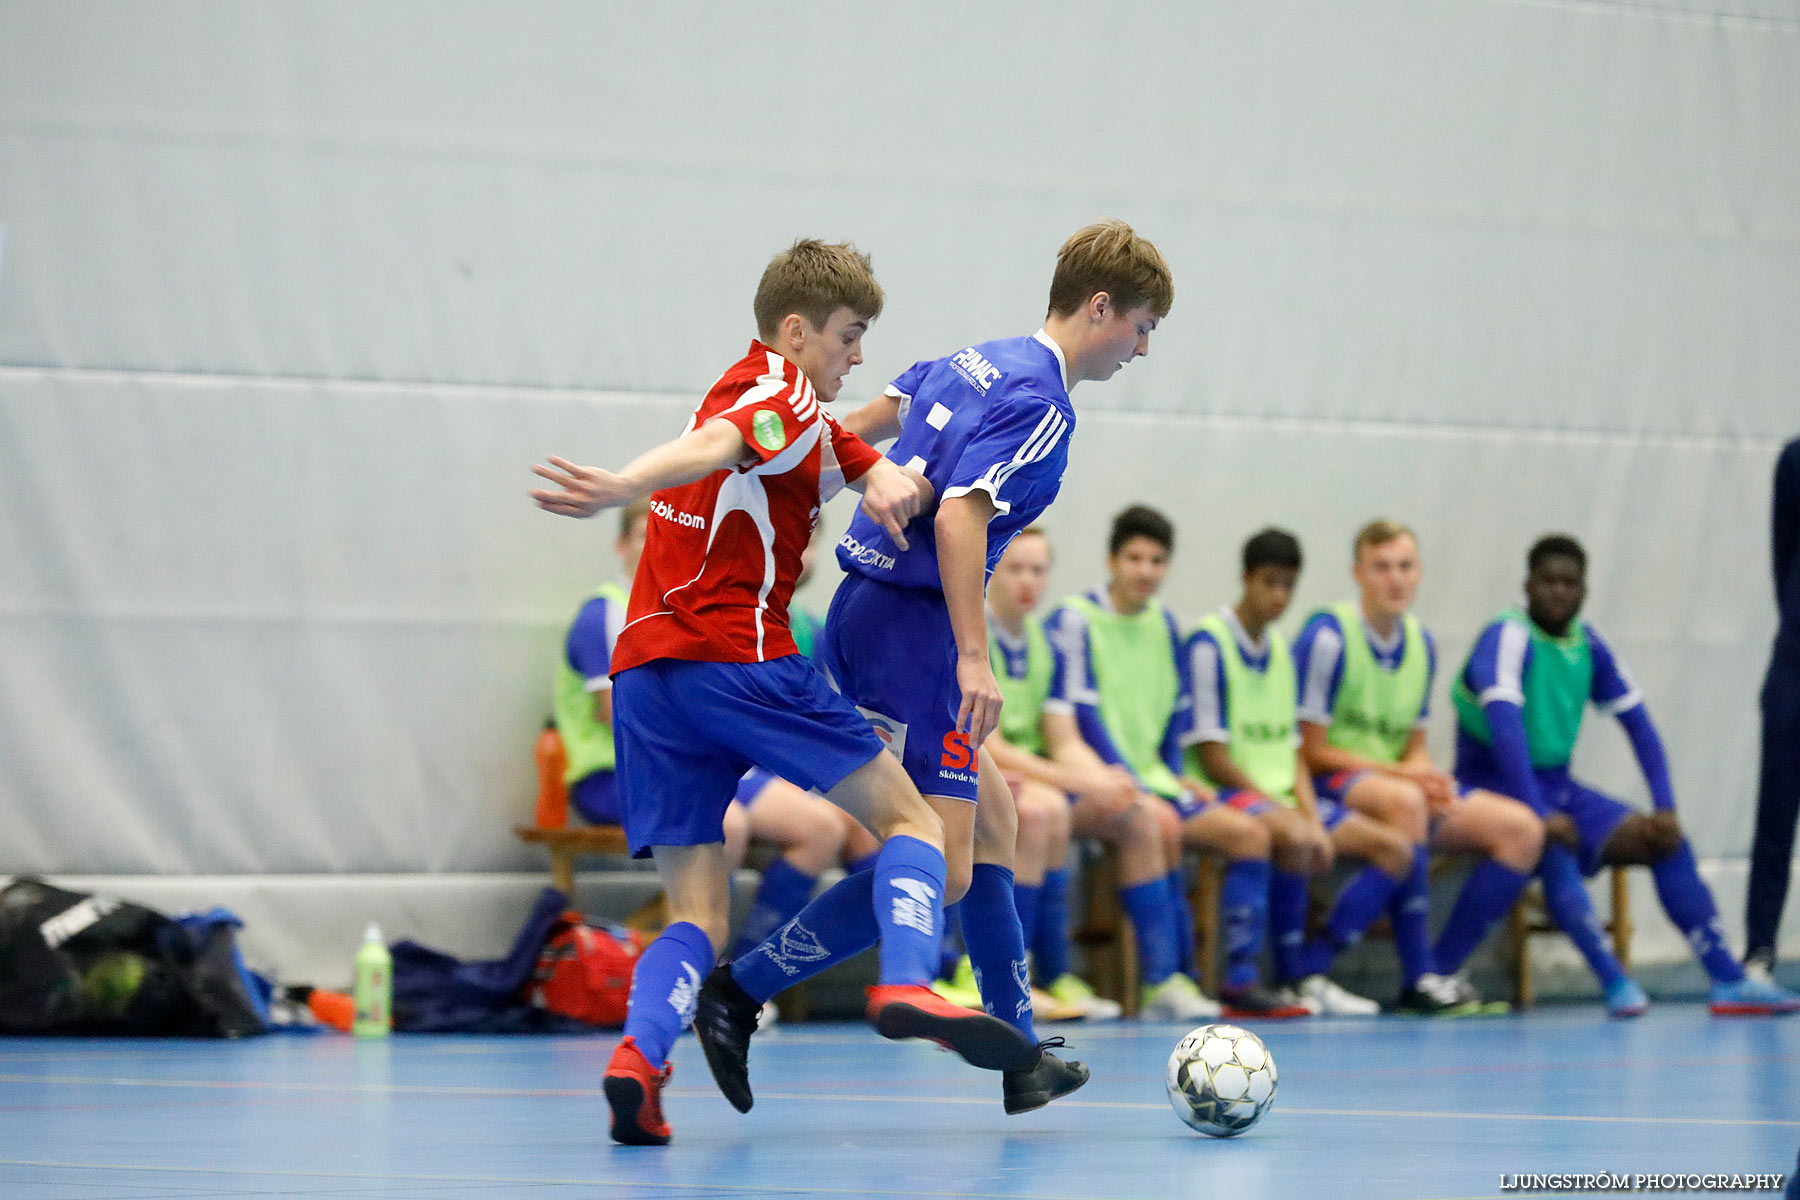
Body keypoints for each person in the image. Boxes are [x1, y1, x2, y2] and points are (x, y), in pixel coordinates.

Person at [531, 238, 1041, 1146]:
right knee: (916, 824)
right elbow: (719, 443)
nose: (857, 357)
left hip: (649, 678)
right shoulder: (775, 396)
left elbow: (872, 456)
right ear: (797, 331)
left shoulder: (793, 407)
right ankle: (908, 981)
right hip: (738, 658)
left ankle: (639, 1066)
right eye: (850, 337)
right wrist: (626, 483)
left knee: (697, 915)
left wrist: (913, 451)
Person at [698, 219, 1172, 1113]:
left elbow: (858, 427)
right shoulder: (1045, 405)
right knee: (944, 862)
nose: (1142, 348)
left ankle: (1020, 1050)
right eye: (1142, 326)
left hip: (863, 615)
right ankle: (746, 988)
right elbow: (960, 517)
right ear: (1100, 307)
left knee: (996, 819)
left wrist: (777, 489)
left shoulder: (977, 357)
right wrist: (972, 657)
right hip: (915, 635)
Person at [551, 500, 882, 1007]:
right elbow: (615, 711)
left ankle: (745, 981)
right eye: (643, 535)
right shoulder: (608, 612)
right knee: (723, 822)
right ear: (622, 546)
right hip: (621, 770)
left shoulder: (710, 610)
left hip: (718, 764)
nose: (654, 545)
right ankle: (691, 979)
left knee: (825, 827)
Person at [1454, 534, 1800, 1016]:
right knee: (1547, 840)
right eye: (1548, 581)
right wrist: (1536, 812)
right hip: (1492, 783)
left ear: (1584, 591)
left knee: (1664, 840)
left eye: (1569, 583)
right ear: (1527, 586)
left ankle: (1727, 977)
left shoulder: (1588, 643)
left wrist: (1665, 806)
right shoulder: (1507, 636)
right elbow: (1507, 731)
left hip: (1557, 783)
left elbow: (1639, 725)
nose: (1558, 592)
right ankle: (1613, 979)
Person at [1046, 506, 1304, 1019]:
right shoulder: (1075, 620)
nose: (1146, 570)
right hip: (1094, 779)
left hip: (1155, 781)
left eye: (1157, 560)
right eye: (1135, 557)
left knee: (1252, 835)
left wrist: (1173, 772)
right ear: (1111, 560)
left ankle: (1235, 979)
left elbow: (1168, 718)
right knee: (1159, 822)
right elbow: (1085, 717)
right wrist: (1137, 780)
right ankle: (1163, 978)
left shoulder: (1165, 625)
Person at [1294, 520, 1543, 1014]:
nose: (1395, 579)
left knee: (1523, 830)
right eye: (1382, 567)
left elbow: (1415, 746)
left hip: (1389, 784)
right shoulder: (1328, 636)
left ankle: (1442, 967)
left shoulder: (1420, 643)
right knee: (1407, 802)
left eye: (1405, 567)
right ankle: (1411, 973)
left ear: (1420, 572)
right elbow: (1308, 749)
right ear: (1358, 573)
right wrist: (1406, 777)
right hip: (1330, 782)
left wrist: (1427, 775)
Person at [1183, 528, 1408, 1016]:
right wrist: (1289, 814)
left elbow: (1293, 749)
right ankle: (1241, 981)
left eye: (1289, 585)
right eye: (1270, 583)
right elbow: (1212, 754)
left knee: (1393, 850)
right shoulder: (1209, 642)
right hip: (1225, 790)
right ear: (1246, 579)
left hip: (1280, 796)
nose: (1279, 596)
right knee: (1295, 837)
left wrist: (1305, 809)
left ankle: (1307, 968)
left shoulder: (1282, 652)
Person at [953, 525, 1148, 1021]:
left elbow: (1063, 739)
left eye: (1038, 570)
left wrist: (1109, 778)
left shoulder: (1047, 644)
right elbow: (989, 742)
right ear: (991, 568)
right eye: (1015, 567)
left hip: (1021, 776)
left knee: (1062, 809)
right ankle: (984, 970)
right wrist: (1084, 782)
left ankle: (1051, 974)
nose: (1028, 581)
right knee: (1041, 812)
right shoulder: (973, 636)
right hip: (960, 767)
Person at [1746, 436, 1800, 981]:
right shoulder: (1795, 459)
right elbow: (1782, 557)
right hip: (1795, 667)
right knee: (1775, 817)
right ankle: (1759, 949)